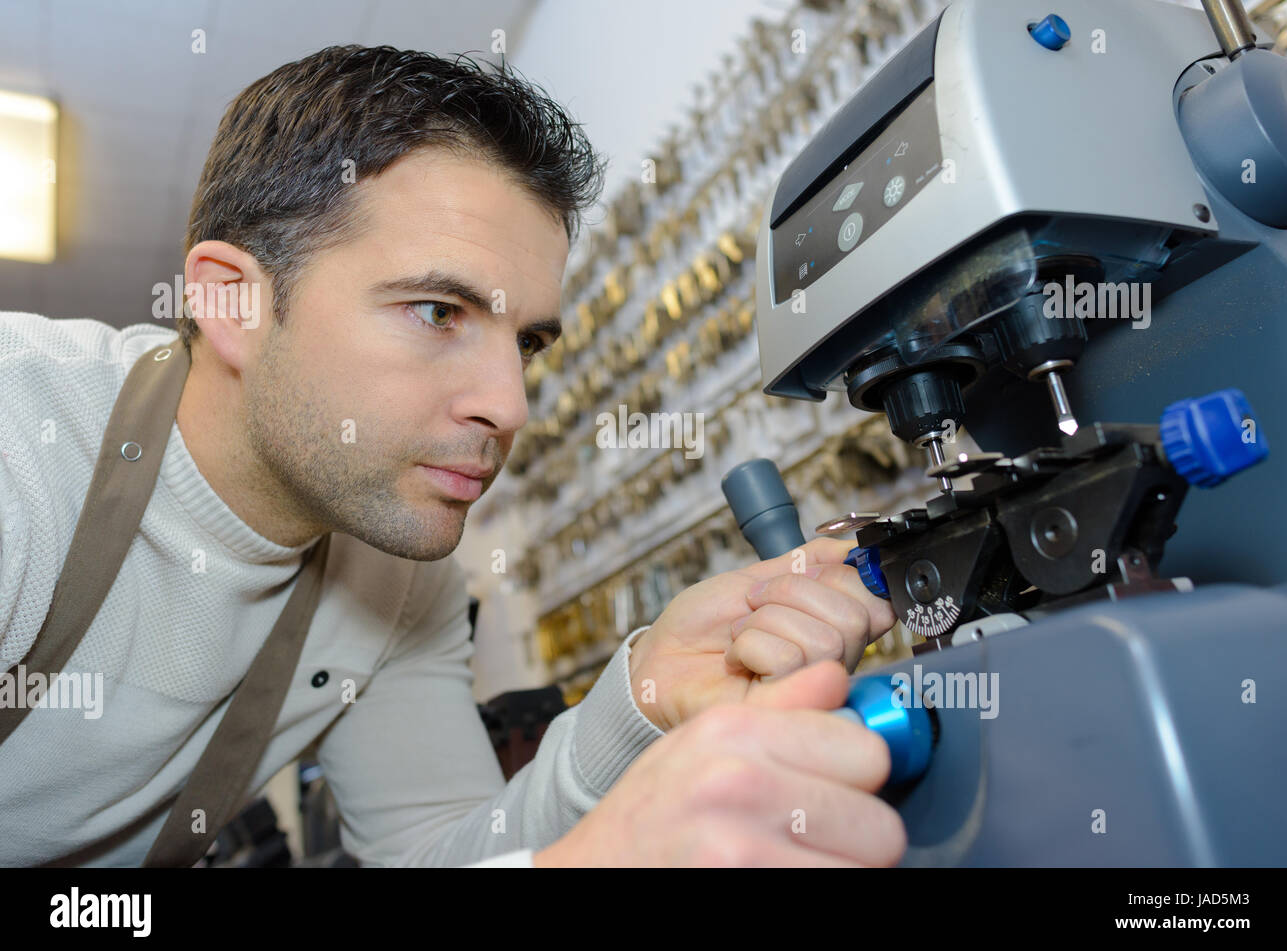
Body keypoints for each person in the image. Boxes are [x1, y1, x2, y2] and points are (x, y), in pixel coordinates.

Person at [0, 45, 904, 867]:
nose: (509, 406)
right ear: (232, 303)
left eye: (530, 344)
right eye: (438, 313)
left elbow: (442, 853)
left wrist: (643, 693)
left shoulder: (403, 579)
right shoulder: (20, 443)